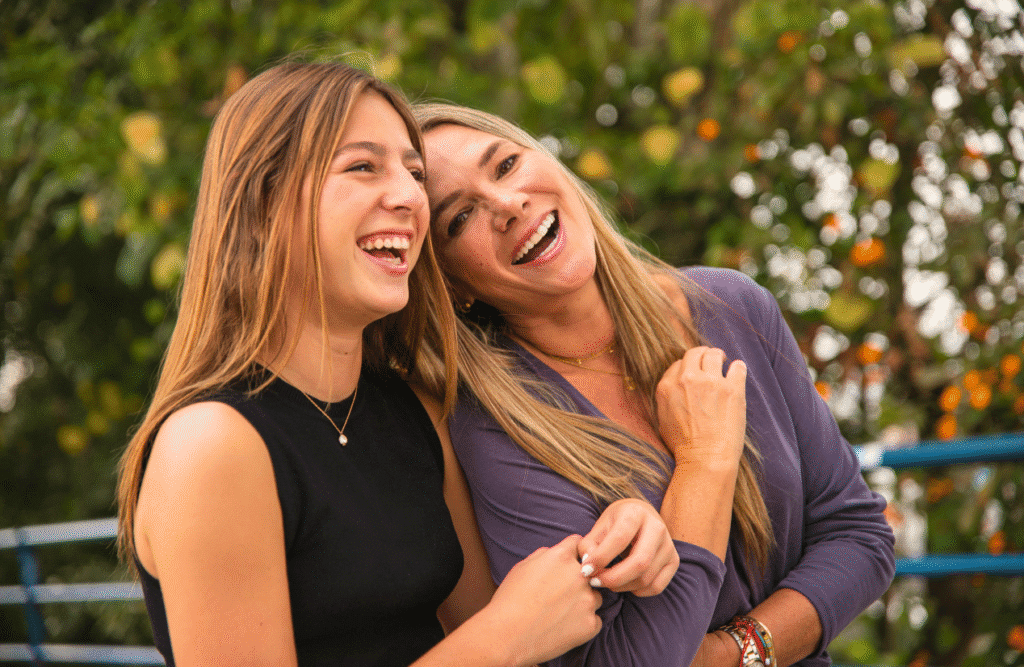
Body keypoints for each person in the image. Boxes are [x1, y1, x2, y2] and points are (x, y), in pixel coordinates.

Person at [115, 61, 680, 667]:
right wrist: (507, 639)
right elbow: (508, 633)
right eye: (363, 166)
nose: (410, 196)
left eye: (413, 173)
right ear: (265, 201)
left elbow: (512, 615)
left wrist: (615, 533)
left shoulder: (417, 411)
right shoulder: (211, 446)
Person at [412, 101, 897, 667]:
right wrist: (704, 462)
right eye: (459, 218)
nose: (508, 203)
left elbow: (859, 533)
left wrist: (735, 653)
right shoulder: (494, 426)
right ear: (453, 283)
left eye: (505, 165)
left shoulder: (732, 305)